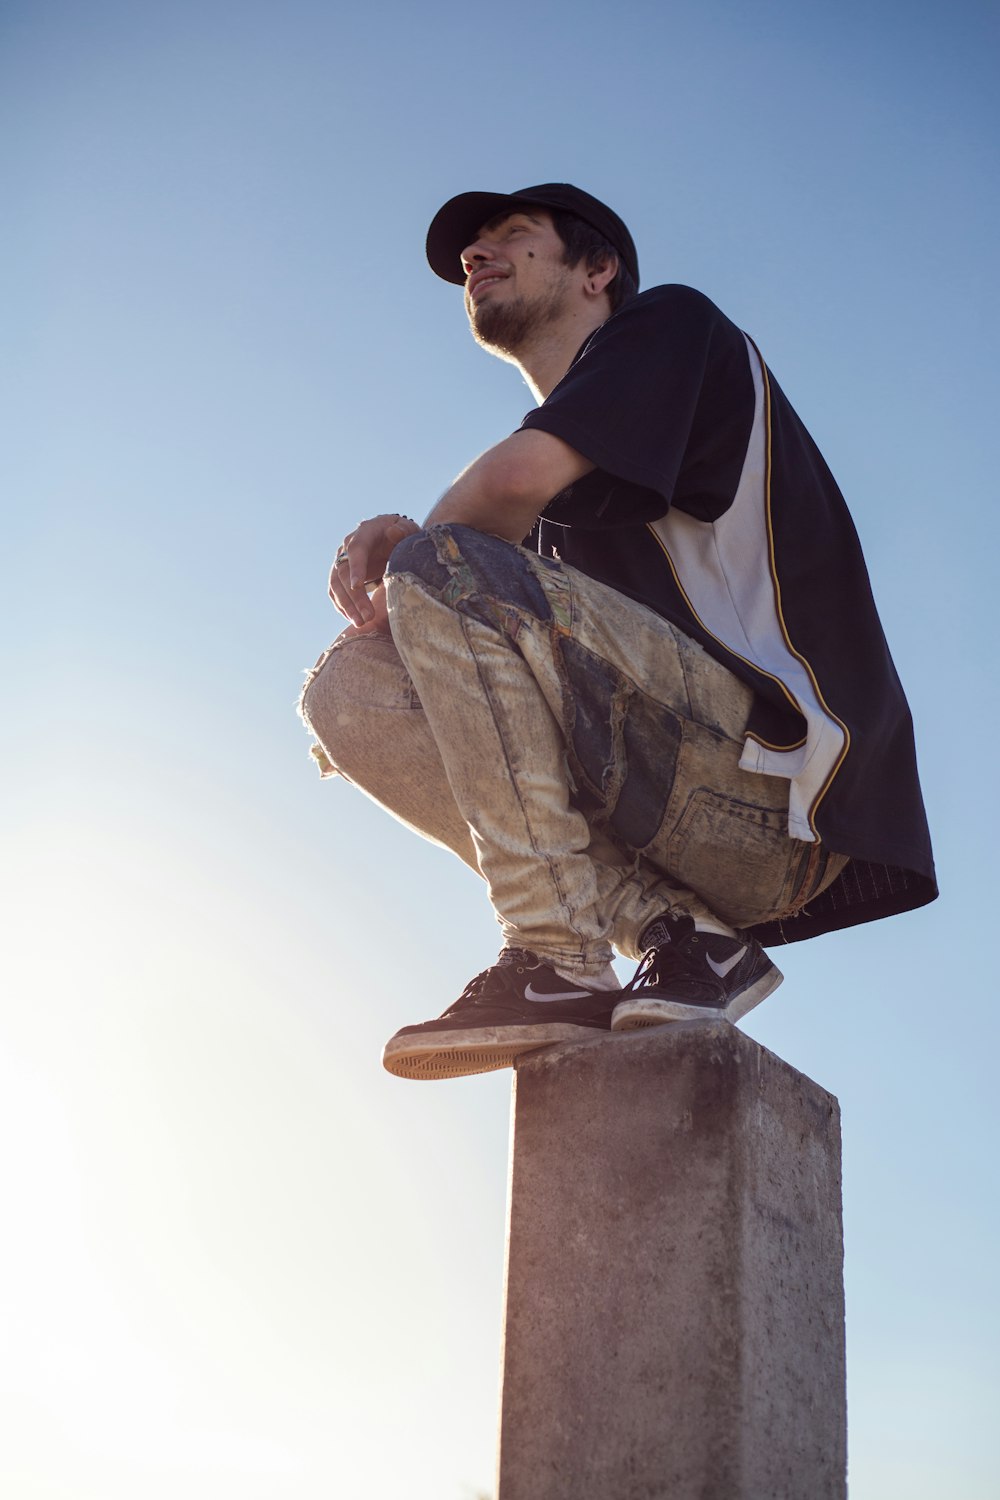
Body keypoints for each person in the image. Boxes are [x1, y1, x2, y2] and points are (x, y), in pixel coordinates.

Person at [299, 183, 936, 1081]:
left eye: (511, 238)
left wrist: (419, 549)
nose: (476, 259)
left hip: (781, 799)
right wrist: (409, 596)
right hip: (675, 817)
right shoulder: (556, 524)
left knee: (444, 566)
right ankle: (686, 938)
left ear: (599, 270)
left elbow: (501, 497)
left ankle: (556, 955)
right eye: (468, 255)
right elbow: (485, 569)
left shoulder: (673, 329)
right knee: (348, 688)